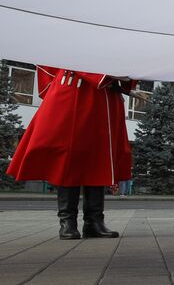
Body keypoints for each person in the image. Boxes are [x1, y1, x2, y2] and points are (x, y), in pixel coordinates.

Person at [7, 67, 134, 239]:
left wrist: (129, 72)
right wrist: (104, 74)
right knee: (69, 157)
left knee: (100, 157)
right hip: (76, 90)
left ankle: (94, 222)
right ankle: (67, 223)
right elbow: (66, 53)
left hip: (106, 95)